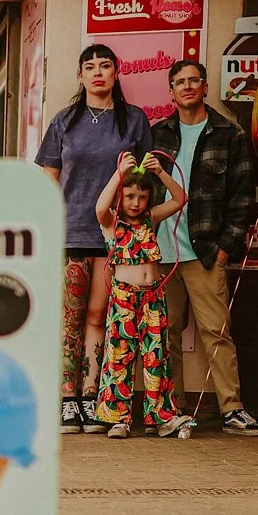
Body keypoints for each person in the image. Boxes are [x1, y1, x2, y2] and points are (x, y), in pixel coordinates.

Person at [35, 44, 152, 434]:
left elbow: (142, 183)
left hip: (117, 237)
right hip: (72, 232)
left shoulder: (134, 120)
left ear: (117, 73)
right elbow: (48, 177)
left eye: (105, 66)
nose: (98, 72)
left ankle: (92, 395)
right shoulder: (64, 121)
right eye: (90, 66)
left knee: (101, 317)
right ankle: (68, 400)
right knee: (69, 319)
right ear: (80, 75)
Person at [150, 59, 258, 436]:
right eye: (179, 82)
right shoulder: (157, 136)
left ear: (203, 87)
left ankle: (232, 410)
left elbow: (242, 198)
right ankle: (170, 411)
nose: (186, 87)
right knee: (164, 333)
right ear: (170, 91)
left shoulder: (227, 134)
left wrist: (224, 248)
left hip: (203, 252)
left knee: (216, 332)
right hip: (161, 253)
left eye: (193, 81)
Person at [92, 153, 196, 440]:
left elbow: (179, 199)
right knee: (120, 356)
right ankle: (117, 418)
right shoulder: (112, 223)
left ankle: (160, 416)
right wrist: (119, 175)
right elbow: (100, 207)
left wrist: (161, 173)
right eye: (129, 196)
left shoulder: (151, 218)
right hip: (125, 299)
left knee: (156, 356)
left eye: (141, 196)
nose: (135, 202)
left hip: (153, 297)